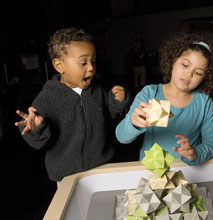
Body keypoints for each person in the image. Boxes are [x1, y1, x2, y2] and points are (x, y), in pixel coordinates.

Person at [14, 27, 131, 182]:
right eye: (83, 62)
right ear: (59, 65)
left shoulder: (96, 90)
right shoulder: (47, 97)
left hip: (101, 166)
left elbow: (107, 116)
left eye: (93, 61)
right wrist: (36, 129)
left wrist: (116, 101)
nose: (91, 67)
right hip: (67, 176)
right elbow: (39, 140)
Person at [116, 33, 213, 165]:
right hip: (152, 168)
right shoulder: (150, 93)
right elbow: (121, 136)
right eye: (185, 65)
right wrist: (133, 123)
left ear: (205, 77)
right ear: (173, 60)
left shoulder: (204, 102)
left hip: (187, 169)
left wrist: (196, 153)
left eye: (198, 73)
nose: (189, 74)